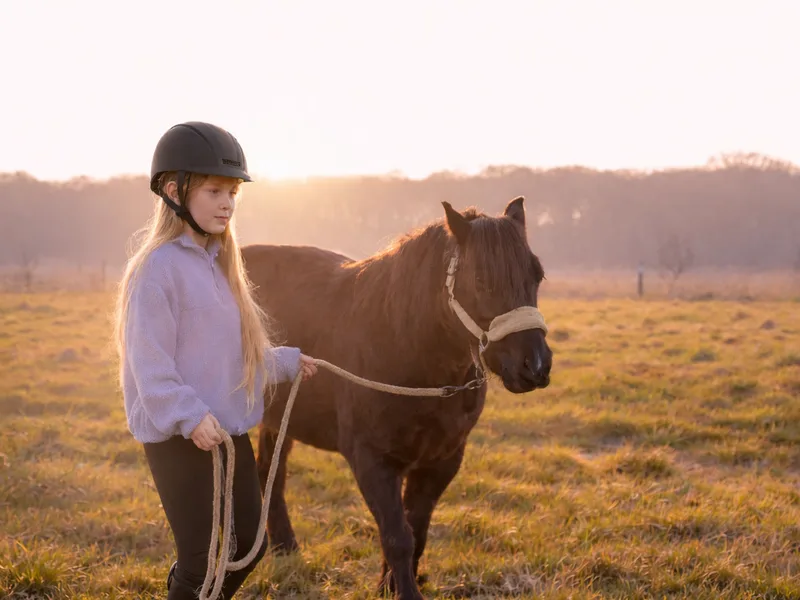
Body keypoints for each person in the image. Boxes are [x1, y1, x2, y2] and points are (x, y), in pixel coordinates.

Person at [113, 121, 318, 599]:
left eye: (232, 192)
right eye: (213, 190)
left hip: (227, 429)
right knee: (200, 558)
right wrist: (188, 415)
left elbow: (230, 354)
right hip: (181, 436)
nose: (227, 202)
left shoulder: (221, 261)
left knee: (251, 543)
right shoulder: (157, 269)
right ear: (173, 190)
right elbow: (151, 363)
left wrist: (284, 362)